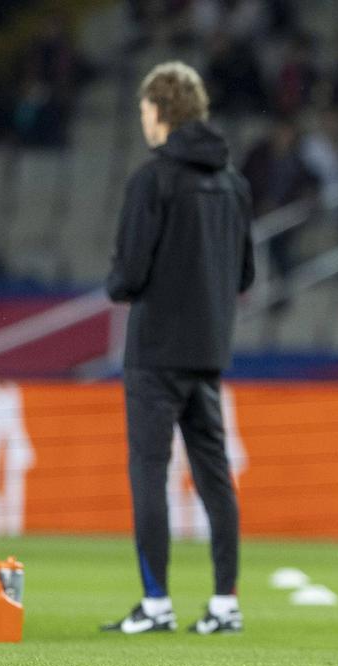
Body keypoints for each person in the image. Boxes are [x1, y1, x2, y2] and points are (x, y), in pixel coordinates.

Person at [102, 61, 254, 636]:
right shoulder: (234, 183)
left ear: (160, 110)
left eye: (145, 109)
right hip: (209, 350)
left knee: (150, 470)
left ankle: (156, 602)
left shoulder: (153, 180)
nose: (143, 120)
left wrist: (125, 282)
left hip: (155, 351)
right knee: (215, 476)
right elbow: (245, 274)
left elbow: (127, 274)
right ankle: (224, 603)